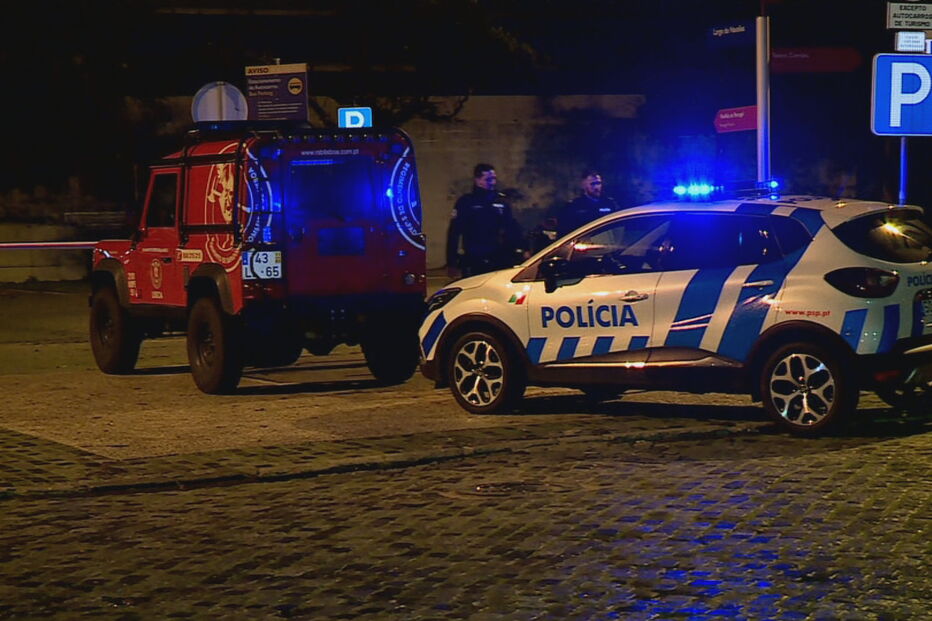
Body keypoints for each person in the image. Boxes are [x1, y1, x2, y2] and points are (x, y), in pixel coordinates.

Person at [446, 163, 526, 278]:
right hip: (474, 258)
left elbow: (512, 228)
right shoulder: (466, 202)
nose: (492, 182)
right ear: (478, 180)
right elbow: (454, 232)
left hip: (499, 257)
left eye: (493, 179)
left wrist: (522, 248)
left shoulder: (501, 201)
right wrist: (451, 262)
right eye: (488, 179)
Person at [555, 169, 620, 238]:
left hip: (607, 243)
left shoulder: (610, 203)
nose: (596, 187)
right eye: (592, 184)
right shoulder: (574, 206)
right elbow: (565, 232)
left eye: (598, 183)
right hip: (585, 243)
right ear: (583, 185)